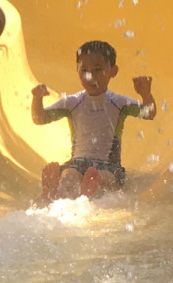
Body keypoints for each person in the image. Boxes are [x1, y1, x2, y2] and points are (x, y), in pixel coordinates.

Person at [30, 40, 155, 201]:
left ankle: (74, 192)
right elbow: (40, 118)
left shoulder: (119, 103)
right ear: (77, 70)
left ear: (113, 71)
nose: (90, 76)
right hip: (81, 163)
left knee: (101, 178)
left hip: (106, 165)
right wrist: (37, 99)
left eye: (98, 70)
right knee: (73, 176)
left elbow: (148, 113)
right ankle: (57, 193)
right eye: (84, 70)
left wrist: (146, 94)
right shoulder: (72, 102)